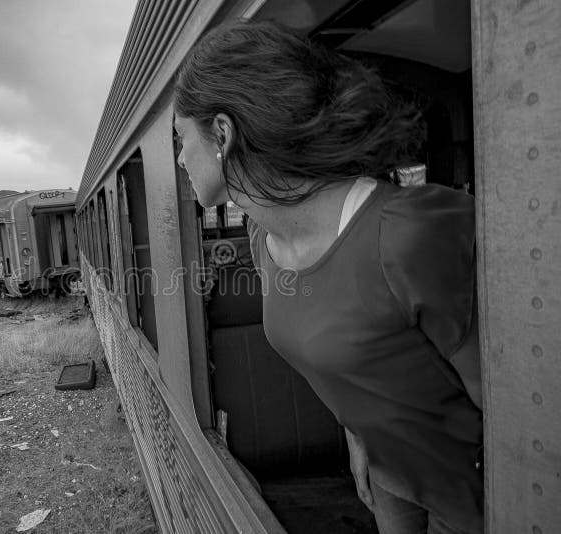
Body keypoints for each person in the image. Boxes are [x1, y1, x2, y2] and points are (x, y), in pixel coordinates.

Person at [173, 21, 483, 534]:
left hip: (477, 501)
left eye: (182, 139)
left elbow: (512, 408)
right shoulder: (262, 240)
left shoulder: (411, 234)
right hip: (391, 481)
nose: (181, 158)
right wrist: (357, 436)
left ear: (223, 135)